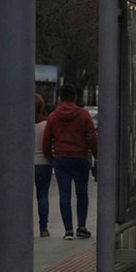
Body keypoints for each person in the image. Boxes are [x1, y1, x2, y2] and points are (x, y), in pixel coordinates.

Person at [43, 85, 98, 240]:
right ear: (75, 97)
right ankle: (82, 226)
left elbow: (46, 141)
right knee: (82, 193)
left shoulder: (53, 117)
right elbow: (92, 138)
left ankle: (68, 230)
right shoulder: (84, 115)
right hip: (80, 158)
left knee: (64, 195)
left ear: (60, 98)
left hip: (61, 159)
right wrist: (96, 155)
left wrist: (52, 158)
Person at [34, 94, 53, 237]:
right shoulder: (46, 125)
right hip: (44, 163)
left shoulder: (21, 124)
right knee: (43, 196)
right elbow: (49, 144)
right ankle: (43, 227)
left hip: (25, 165)